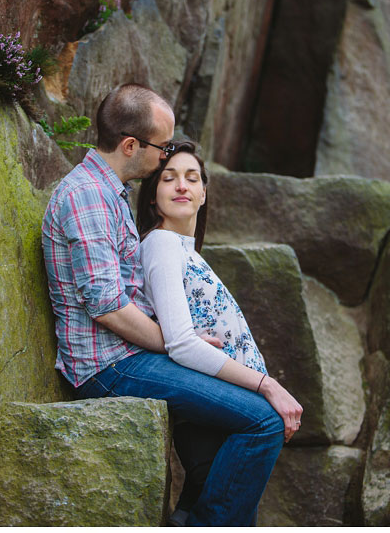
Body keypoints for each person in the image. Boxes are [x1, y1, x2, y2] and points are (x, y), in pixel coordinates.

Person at [42, 82, 290, 527]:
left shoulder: (108, 195)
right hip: (109, 367)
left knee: (221, 449)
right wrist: (180, 340)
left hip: (132, 356)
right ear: (131, 145)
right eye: (162, 148)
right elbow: (107, 308)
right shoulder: (86, 198)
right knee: (263, 422)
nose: (165, 158)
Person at [136, 140, 302, 525]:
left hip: (220, 411)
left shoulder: (185, 250)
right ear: (151, 197)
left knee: (196, 510)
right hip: (209, 408)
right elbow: (179, 343)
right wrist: (266, 385)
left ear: (204, 193)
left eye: (192, 178)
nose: (182, 186)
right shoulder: (161, 243)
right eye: (169, 178)